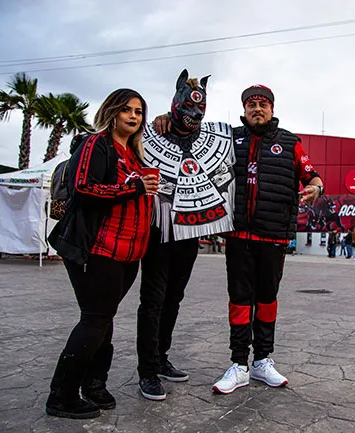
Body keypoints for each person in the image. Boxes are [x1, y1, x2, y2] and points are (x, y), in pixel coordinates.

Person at [46, 89, 159, 419]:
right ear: (112, 111)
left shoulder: (133, 154)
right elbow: (83, 188)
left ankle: (94, 383)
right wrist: (135, 187)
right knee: (95, 318)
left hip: (128, 254)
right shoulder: (97, 143)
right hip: (99, 249)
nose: (134, 116)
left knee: (103, 317)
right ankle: (62, 395)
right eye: (126, 109)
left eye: (139, 111)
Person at [212, 84, 324, 394]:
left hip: (273, 236)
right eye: (251, 104)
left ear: (272, 109)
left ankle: (262, 360)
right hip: (237, 234)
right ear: (244, 109)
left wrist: (317, 188)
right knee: (239, 299)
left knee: (266, 300)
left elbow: (313, 178)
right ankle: (239, 365)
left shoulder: (290, 143)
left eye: (263, 104)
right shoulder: (227, 140)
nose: (257, 109)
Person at [138, 70, 235, 401]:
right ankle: (147, 370)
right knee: (152, 300)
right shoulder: (153, 133)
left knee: (173, 297)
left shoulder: (211, 137)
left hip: (190, 230)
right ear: (174, 104)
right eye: (188, 109)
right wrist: (161, 119)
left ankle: (160, 357)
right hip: (157, 230)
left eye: (201, 110)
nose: (195, 116)